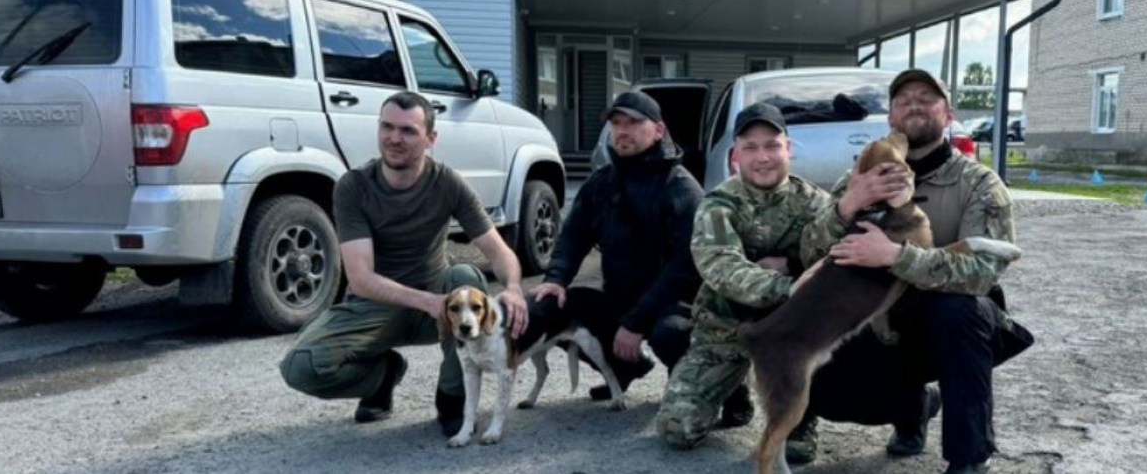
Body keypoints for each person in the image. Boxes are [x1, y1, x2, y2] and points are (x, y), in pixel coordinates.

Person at [786, 68, 1033, 474]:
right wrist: (848, 206)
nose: (914, 104)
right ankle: (915, 407)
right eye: (903, 100)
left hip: (949, 327)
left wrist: (896, 256)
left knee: (960, 311)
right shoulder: (858, 178)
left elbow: (983, 273)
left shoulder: (979, 183)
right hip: (880, 318)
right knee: (830, 389)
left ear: (948, 114)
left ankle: (969, 458)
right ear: (891, 119)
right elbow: (809, 253)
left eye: (927, 97)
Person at [279, 92, 529, 438]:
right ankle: (382, 378)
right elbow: (362, 279)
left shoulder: (447, 182)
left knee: (465, 277)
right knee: (300, 367)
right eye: (387, 126)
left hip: (438, 299)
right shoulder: (353, 186)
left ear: (431, 138)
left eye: (409, 131)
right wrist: (427, 302)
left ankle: (452, 398)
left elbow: (499, 252)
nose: (394, 138)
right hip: (376, 307)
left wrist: (514, 288)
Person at [655, 102, 901, 448]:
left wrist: (841, 213)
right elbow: (723, 267)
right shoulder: (718, 205)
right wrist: (789, 283)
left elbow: (832, 256)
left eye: (772, 145)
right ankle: (734, 388)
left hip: (791, 334)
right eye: (750, 147)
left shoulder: (814, 201)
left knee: (797, 446)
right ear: (735, 155)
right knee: (676, 430)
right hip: (726, 329)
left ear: (788, 148)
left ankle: (803, 417)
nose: (763, 157)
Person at [528, 91, 705, 404]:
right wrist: (555, 278)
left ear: (659, 130)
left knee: (671, 333)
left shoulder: (681, 188)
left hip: (672, 303)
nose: (622, 130)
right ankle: (624, 368)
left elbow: (685, 268)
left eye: (634, 122)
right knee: (547, 307)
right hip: (619, 298)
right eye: (616, 122)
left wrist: (635, 322)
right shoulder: (601, 182)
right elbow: (573, 237)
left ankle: (687, 384)